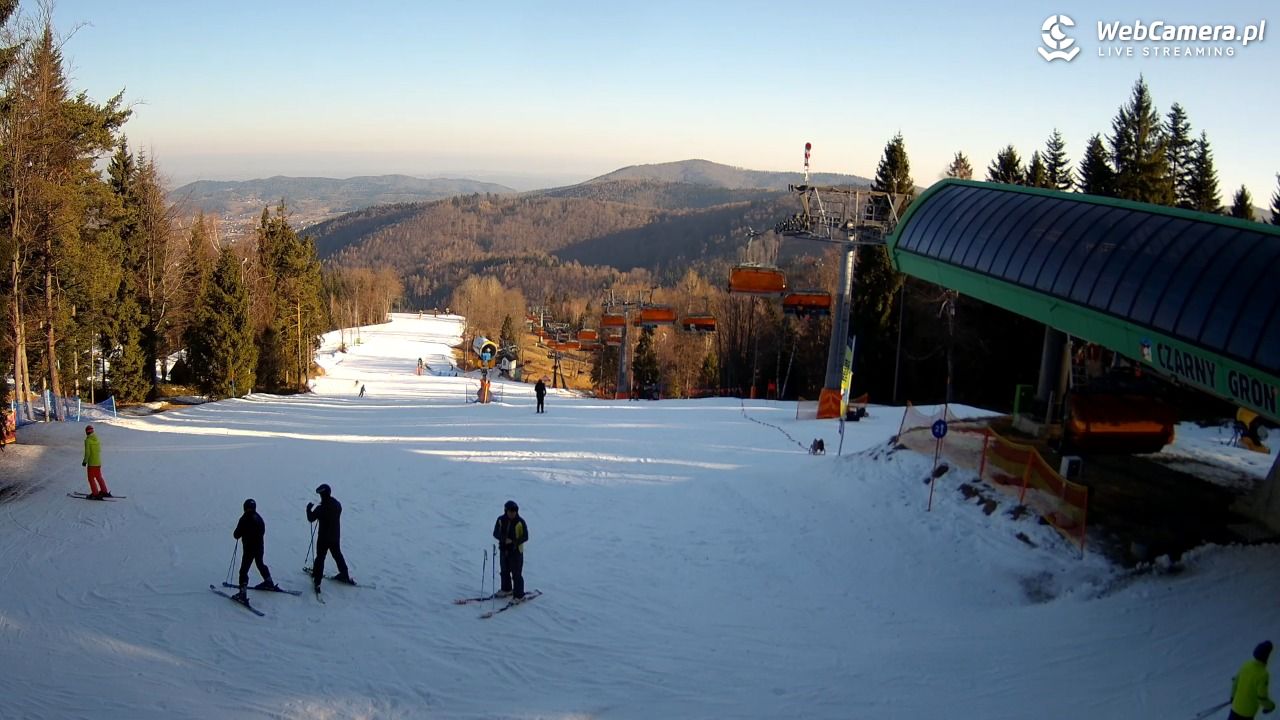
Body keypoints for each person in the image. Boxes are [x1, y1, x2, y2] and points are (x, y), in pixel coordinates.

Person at [307, 483, 352, 590]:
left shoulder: (321, 509)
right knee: (337, 555)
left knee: (320, 557)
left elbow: (311, 518)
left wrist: (308, 509)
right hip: (335, 536)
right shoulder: (337, 505)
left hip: (323, 538)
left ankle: (317, 580)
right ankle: (344, 574)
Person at [232, 498, 276, 599]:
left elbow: (236, 534)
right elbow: (262, 531)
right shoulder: (259, 518)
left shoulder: (244, 519)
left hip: (249, 548)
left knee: (243, 570)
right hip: (259, 546)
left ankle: (242, 593)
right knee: (260, 563)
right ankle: (268, 581)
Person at [1229, 640, 1276, 719]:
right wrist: (1270, 706)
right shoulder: (1263, 675)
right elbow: (1261, 697)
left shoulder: (1246, 665)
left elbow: (1235, 682)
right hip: (1247, 714)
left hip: (1235, 708)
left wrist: (1232, 697)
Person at [492, 500, 529, 599]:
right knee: (504, 571)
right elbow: (495, 533)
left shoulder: (520, 522)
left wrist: (514, 542)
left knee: (516, 574)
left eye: (514, 511)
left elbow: (525, 536)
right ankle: (506, 589)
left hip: (516, 552)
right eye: (510, 511)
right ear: (506, 511)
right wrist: (504, 539)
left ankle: (519, 595)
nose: (512, 513)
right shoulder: (500, 520)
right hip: (504, 550)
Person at [81, 425, 112, 499]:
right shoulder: (97, 439)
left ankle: (95, 494)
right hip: (98, 462)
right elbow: (99, 450)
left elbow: (87, 453)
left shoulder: (88, 441)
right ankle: (104, 491)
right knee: (99, 477)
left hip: (92, 463)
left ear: (86, 432)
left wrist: (85, 461)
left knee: (91, 478)